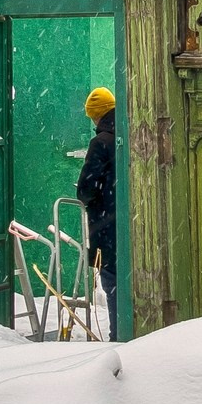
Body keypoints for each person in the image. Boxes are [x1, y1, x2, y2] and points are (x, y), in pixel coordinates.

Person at [76, 87, 118, 303]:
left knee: (111, 280)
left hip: (107, 226)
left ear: (95, 115)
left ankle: (117, 334)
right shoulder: (129, 135)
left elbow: (86, 189)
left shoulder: (100, 142)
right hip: (129, 225)